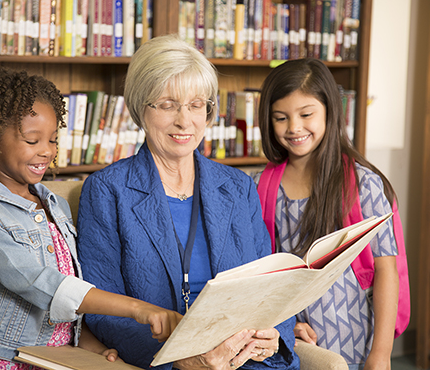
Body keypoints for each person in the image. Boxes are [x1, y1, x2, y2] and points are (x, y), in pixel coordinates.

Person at [76, 34, 300, 370]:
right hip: (167, 360)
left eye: (197, 105)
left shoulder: (237, 186)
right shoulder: (107, 190)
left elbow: (270, 282)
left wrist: (275, 334)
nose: (185, 121)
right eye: (167, 104)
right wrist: (179, 359)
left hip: (244, 358)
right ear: (140, 108)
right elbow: (101, 308)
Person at [0, 65, 182, 370]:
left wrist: (94, 347)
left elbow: (70, 299)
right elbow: (47, 286)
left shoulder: (53, 204)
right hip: (5, 359)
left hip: (55, 358)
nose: (46, 151)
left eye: (53, 140)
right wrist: (136, 309)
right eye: (32, 141)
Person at [256, 58, 405, 370]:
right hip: (295, 339)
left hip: (355, 335)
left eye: (306, 114)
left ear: (330, 111)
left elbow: (386, 271)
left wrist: (381, 355)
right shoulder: (261, 186)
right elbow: (264, 273)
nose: (294, 127)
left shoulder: (363, 183)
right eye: (280, 117)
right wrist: (287, 325)